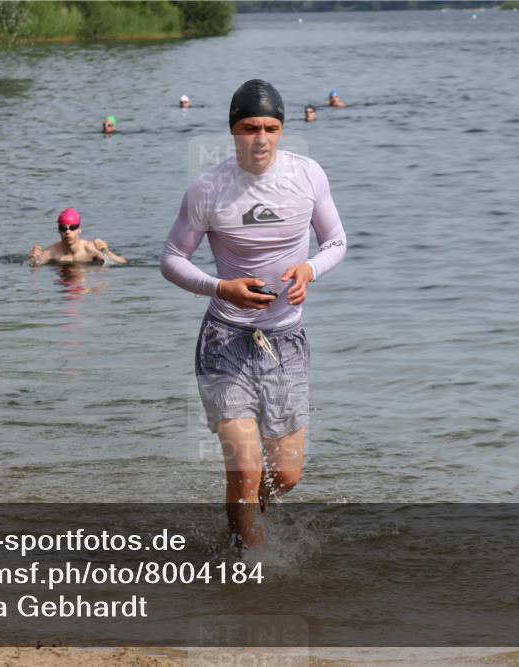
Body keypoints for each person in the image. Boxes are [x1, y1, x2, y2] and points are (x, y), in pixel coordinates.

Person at [160, 79, 346, 550]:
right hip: (225, 340)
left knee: (284, 475)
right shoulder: (208, 189)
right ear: (233, 131)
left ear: (281, 130)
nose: (260, 137)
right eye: (249, 128)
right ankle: (251, 573)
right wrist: (221, 287)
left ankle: (237, 530)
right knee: (244, 469)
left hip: (286, 342)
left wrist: (309, 269)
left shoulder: (308, 175)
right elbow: (171, 260)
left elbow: (336, 242)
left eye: (270, 127)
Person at [30, 208, 126, 266]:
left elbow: (122, 262)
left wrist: (107, 252)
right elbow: (33, 267)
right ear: (59, 230)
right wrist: (34, 259)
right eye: (63, 228)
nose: (68, 231)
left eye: (72, 227)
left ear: (79, 229)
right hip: (62, 280)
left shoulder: (91, 249)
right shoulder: (51, 253)